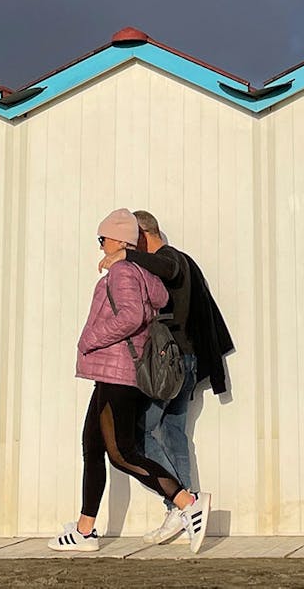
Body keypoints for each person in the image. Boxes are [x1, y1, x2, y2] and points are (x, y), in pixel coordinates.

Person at [48, 208, 211, 553]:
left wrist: (89, 339)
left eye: (101, 238)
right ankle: (85, 529)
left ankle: (186, 501)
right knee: (93, 446)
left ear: (118, 239)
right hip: (113, 374)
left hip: (117, 374)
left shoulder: (123, 271)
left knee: (122, 451)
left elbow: (132, 317)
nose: (100, 245)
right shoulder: (138, 273)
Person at [99, 210, 235, 545]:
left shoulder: (171, 258)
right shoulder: (177, 261)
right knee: (174, 435)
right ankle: (188, 510)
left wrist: (127, 255)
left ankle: (180, 503)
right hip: (184, 362)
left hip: (171, 363)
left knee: (139, 433)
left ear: (144, 235)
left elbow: (168, 269)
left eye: (133, 238)